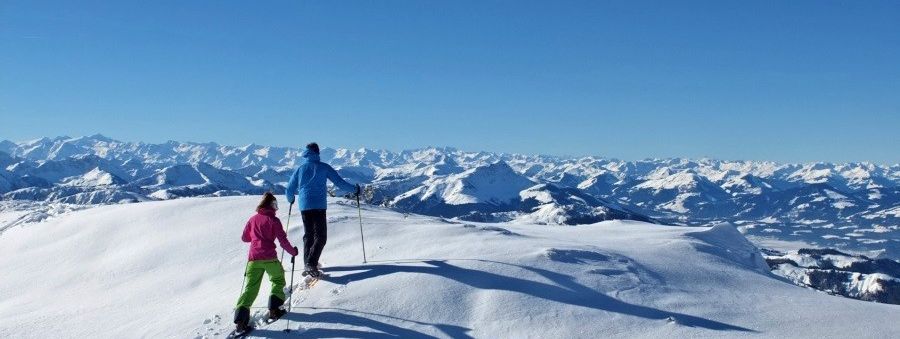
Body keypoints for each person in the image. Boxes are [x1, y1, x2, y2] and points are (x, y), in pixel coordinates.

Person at [285, 142, 361, 278]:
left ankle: (307, 263)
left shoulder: (300, 169)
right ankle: (311, 264)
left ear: (306, 153)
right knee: (320, 236)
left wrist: (290, 199)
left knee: (308, 235)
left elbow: (289, 189)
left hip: (305, 207)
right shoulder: (324, 167)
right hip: (319, 206)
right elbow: (339, 182)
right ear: (318, 152)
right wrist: (355, 190)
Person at [233, 192, 299, 333]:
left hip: (253, 259)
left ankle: (240, 320)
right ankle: (274, 310)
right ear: (270, 205)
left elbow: (245, 238)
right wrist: (293, 252)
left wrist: (256, 236)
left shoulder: (252, 219)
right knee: (278, 279)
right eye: (275, 205)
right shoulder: (274, 221)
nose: (276, 208)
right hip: (269, 258)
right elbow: (283, 241)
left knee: (250, 289)